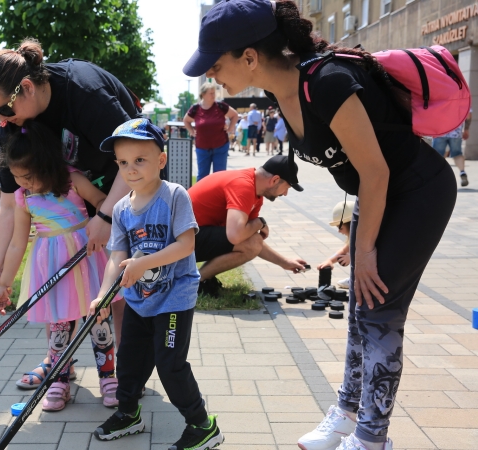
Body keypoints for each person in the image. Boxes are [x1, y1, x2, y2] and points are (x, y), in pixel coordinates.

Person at [183, 1, 456, 449]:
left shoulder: (326, 83)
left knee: (379, 313)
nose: (211, 75)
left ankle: (372, 439)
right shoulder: (277, 93)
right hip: (382, 196)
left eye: (215, 64)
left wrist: (367, 249)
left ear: (249, 57)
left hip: (419, 192)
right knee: (358, 309)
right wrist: (361, 237)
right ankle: (348, 415)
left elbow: (377, 171)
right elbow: (362, 174)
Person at [0, 38, 140, 380]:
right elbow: (8, 205)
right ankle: (59, 364)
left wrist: (106, 215)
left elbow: (137, 159)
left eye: (3, 110)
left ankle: (123, 370)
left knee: (118, 286)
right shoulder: (12, 129)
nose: (0, 120)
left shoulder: (84, 91)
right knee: (63, 301)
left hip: (127, 183)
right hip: (77, 211)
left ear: (27, 88)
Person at [89, 118, 223, 450]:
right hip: (138, 299)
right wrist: (104, 295)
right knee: (130, 360)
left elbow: (186, 245)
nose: (130, 168)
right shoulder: (120, 208)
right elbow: (117, 256)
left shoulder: (174, 195)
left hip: (174, 298)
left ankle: (202, 425)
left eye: (139, 159)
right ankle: (128, 413)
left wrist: (142, 263)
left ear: (160, 161)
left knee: (169, 364)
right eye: (122, 162)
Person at [0, 120, 119, 410]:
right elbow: (16, 244)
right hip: (52, 268)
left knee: (99, 322)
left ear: (46, 163)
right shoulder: (24, 198)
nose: (22, 183)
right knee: (59, 327)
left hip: (87, 260)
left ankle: (109, 377)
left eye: (28, 177)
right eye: (18, 178)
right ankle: (59, 380)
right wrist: (3, 283)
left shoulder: (72, 180)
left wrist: (106, 227)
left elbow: (103, 204)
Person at [188, 155, 307, 297]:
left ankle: (200, 279)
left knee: (252, 240)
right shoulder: (243, 186)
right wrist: (259, 222)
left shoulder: (255, 191)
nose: (286, 194)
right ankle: (195, 283)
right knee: (251, 241)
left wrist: (284, 262)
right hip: (175, 241)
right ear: (274, 180)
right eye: (287, 187)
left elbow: (249, 239)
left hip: (191, 236)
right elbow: (236, 236)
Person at [183, 82, 238, 181]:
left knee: (220, 176)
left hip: (221, 146)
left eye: (214, 92)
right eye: (211, 93)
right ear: (203, 94)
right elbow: (186, 120)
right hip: (202, 148)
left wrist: (230, 128)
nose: (213, 95)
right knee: (202, 176)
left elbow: (234, 115)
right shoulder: (196, 108)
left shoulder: (220, 106)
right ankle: (201, 196)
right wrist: (191, 131)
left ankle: (218, 196)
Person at [318, 200, 356, 290]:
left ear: (351, 225)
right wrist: (329, 261)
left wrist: (352, 257)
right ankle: (355, 279)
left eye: (340, 227)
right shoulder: (353, 237)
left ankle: (356, 280)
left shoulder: (365, 236)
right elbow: (343, 250)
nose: (339, 231)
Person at [432, 110, 471, 187]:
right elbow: (468, 115)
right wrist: (466, 129)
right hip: (456, 131)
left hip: (439, 130)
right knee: (457, 153)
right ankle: (462, 172)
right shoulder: (460, 97)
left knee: (437, 156)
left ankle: (438, 177)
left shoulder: (437, 97)